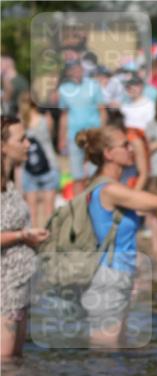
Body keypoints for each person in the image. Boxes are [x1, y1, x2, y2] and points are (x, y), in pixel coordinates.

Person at [75, 125, 157, 346]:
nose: (132, 149)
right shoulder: (110, 191)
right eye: (125, 145)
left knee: (119, 357)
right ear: (108, 154)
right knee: (105, 360)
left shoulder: (114, 188)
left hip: (120, 277)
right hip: (107, 280)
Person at [1, 116, 49, 358]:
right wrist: (23, 235)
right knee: (5, 368)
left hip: (18, 289)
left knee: (16, 364)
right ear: (2, 146)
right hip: (3, 292)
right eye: (21, 139)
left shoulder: (9, 184)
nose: (28, 144)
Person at [58, 60, 105, 193]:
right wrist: (62, 138)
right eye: (72, 70)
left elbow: (102, 110)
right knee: (77, 175)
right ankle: (79, 207)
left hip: (92, 134)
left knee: (94, 171)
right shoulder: (64, 89)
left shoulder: (93, 86)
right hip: (73, 135)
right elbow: (64, 115)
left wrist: (101, 132)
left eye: (78, 69)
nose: (76, 72)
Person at [18, 94, 59, 226]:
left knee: (32, 212)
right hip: (49, 164)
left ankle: (34, 242)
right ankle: (50, 240)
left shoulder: (20, 123)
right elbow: (51, 139)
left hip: (28, 167)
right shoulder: (46, 119)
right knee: (49, 211)